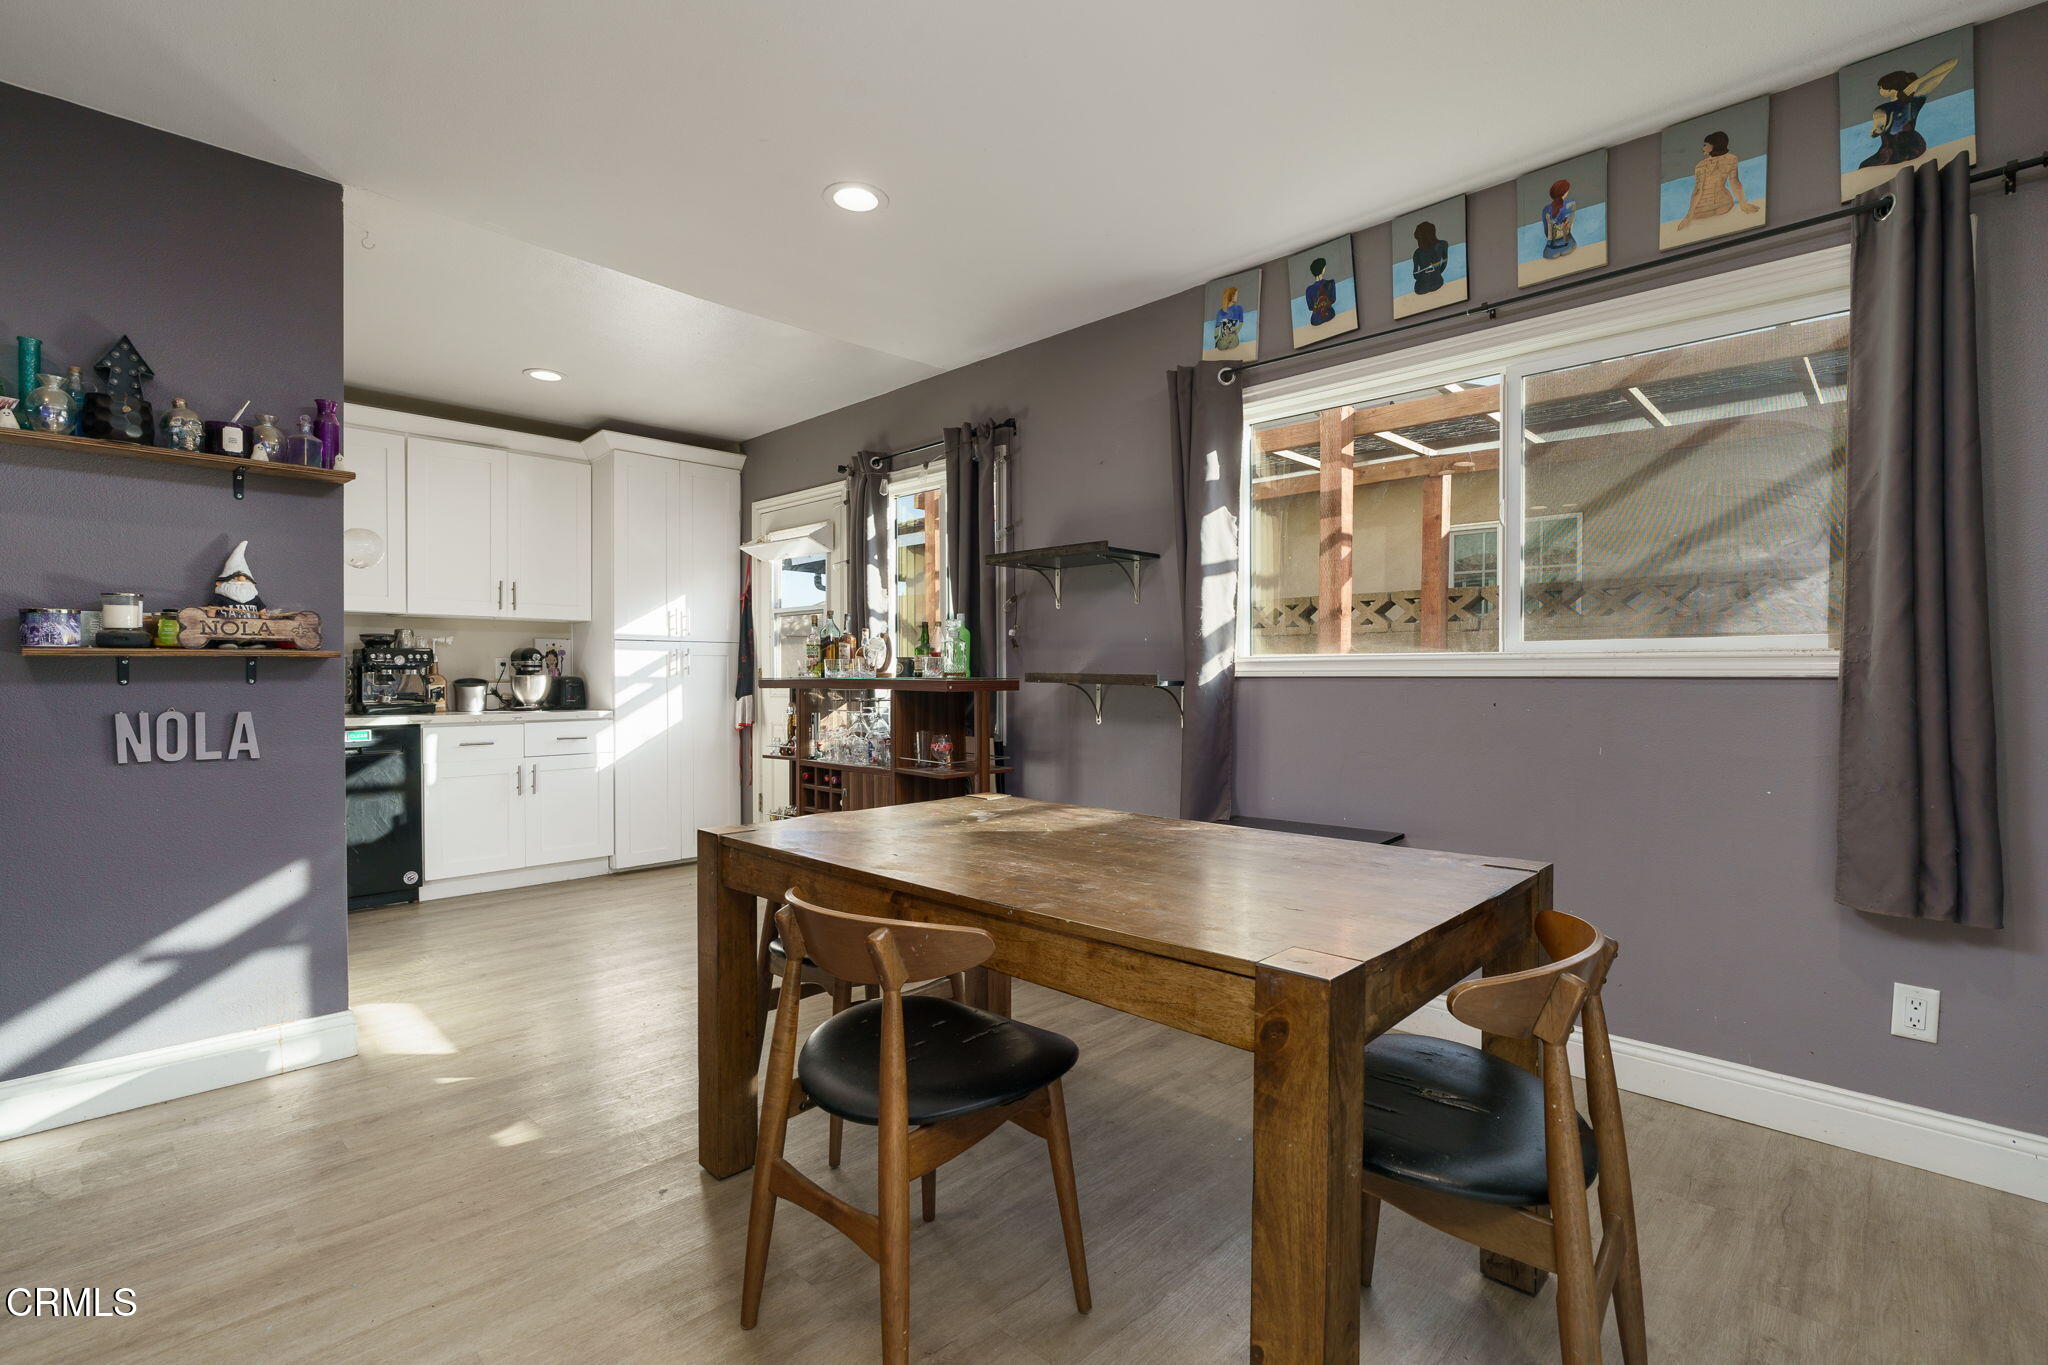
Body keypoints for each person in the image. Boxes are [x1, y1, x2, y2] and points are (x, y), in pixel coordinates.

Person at [1859, 57, 1960, 169]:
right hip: (1916, 147)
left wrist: (1875, 132)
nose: (1879, 89)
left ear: (1890, 89)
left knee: (1863, 166)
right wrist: (1918, 82)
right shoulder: (1916, 100)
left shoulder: (1881, 110)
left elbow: (1876, 131)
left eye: (1880, 87)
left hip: (1893, 153)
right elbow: (1952, 63)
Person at [1673, 130, 1761, 232]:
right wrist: (1743, 203)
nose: (1703, 148)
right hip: (1725, 205)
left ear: (1713, 146)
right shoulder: (1732, 159)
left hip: (1702, 211)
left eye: (1705, 145)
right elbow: (1735, 182)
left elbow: (1698, 191)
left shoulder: (1701, 166)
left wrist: (1689, 216)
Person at [1541, 179, 1577, 258]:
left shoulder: (1545, 210)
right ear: (1565, 192)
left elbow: (1547, 234)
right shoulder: (1571, 204)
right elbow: (1570, 227)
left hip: (1550, 250)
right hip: (1569, 244)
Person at [1411, 221, 1450, 294]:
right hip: (1438, 283)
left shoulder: (1417, 253)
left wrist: (1425, 274)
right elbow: (1444, 263)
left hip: (1421, 288)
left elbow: (1415, 275)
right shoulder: (1443, 244)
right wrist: (1437, 272)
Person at [1302, 258, 1337, 326]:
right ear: (1322, 269)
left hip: (1315, 320)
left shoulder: (1309, 289)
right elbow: (1333, 300)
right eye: (1324, 267)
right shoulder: (1331, 283)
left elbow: (1310, 307)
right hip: (1330, 315)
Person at [1211, 285, 1244, 351]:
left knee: (1233, 342)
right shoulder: (1220, 312)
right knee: (1222, 345)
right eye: (1236, 295)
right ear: (1231, 296)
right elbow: (1217, 328)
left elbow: (1241, 322)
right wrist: (1217, 340)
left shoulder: (1239, 309)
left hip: (1233, 338)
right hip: (1223, 340)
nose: (1237, 297)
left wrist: (1236, 331)